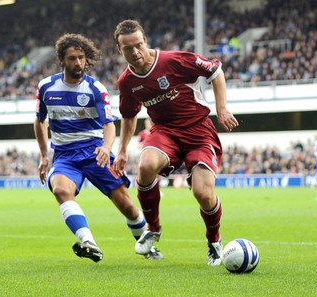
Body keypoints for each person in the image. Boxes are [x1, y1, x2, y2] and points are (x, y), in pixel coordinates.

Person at [113, 20, 239, 266]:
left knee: (203, 193)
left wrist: (221, 108)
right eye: (128, 48)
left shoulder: (173, 60)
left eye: (139, 45)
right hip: (165, 132)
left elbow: (216, 71)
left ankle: (214, 241)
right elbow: (129, 116)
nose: (135, 52)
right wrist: (122, 151)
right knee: (146, 165)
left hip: (198, 131)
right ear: (120, 50)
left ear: (145, 40)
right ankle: (153, 228)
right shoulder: (126, 82)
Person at [33, 33, 162, 263]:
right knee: (61, 191)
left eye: (82, 58)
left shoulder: (95, 88)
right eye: (72, 58)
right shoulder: (46, 87)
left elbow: (109, 124)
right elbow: (40, 121)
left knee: (127, 205)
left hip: (95, 151)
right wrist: (44, 156)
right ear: (62, 60)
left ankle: (147, 246)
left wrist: (106, 146)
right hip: (64, 155)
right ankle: (88, 242)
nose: (78, 63)